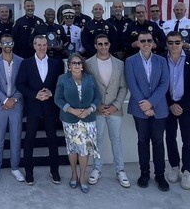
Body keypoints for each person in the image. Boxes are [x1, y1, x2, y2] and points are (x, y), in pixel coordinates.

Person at [125, 31, 170, 192]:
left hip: (159, 108)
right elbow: (132, 84)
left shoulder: (161, 60)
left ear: (153, 43)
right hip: (139, 109)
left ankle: (160, 175)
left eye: (149, 40)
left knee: (158, 141)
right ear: (138, 43)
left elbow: (164, 84)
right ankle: (144, 173)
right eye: (142, 40)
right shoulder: (130, 61)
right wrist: (145, 105)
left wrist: (151, 103)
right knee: (143, 141)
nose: (146, 43)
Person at [17, 35, 63, 186]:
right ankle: (29, 172)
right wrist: (35, 94)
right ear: (34, 45)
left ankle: (54, 171)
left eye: (44, 45)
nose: (42, 47)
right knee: (29, 139)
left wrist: (52, 93)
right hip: (33, 106)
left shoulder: (56, 64)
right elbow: (20, 84)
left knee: (52, 139)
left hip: (50, 107)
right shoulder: (26, 63)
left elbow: (60, 85)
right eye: (39, 45)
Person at [85, 34, 130, 188]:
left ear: (109, 45)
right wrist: (96, 105)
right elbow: (87, 87)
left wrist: (115, 105)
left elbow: (123, 86)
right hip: (97, 109)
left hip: (114, 109)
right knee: (97, 139)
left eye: (106, 44)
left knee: (116, 139)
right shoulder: (88, 63)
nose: (103, 47)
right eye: (100, 44)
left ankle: (120, 170)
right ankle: (97, 169)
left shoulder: (119, 64)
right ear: (95, 45)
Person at [54, 53, 101, 194]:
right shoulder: (62, 79)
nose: (77, 65)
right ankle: (74, 173)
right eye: (74, 63)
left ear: (82, 65)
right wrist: (72, 110)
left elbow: (97, 97)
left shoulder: (90, 79)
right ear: (69, 65)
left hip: (88, 119)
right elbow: (58, 98)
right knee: (73, 149)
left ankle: (82, 177)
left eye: (79, 63)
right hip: (70, 119)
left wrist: (89, 109)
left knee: (84, 150)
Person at [164, 31, 190, 190]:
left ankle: (187, 171)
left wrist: (182, 106)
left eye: (177, 42)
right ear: (166, 43)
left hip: (187, 107)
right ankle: (174, 167)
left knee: (187, 140)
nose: (174, 45)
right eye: (170, 42)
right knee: (170, 138)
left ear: (182, 43)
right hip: (168, 106)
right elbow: (160, 84)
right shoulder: (161, 60)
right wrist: (171, 104)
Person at [0, 34, 25, 183]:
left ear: (13, 44)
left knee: (16, 137)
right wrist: (4, 99)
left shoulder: (21, 61)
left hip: (16, 105)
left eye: (10, 42)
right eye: (5, 43)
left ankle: (15, 168)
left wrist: (13, 99)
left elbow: (23, 83)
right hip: (0, 105)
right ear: (0, 45)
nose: (7, 45)